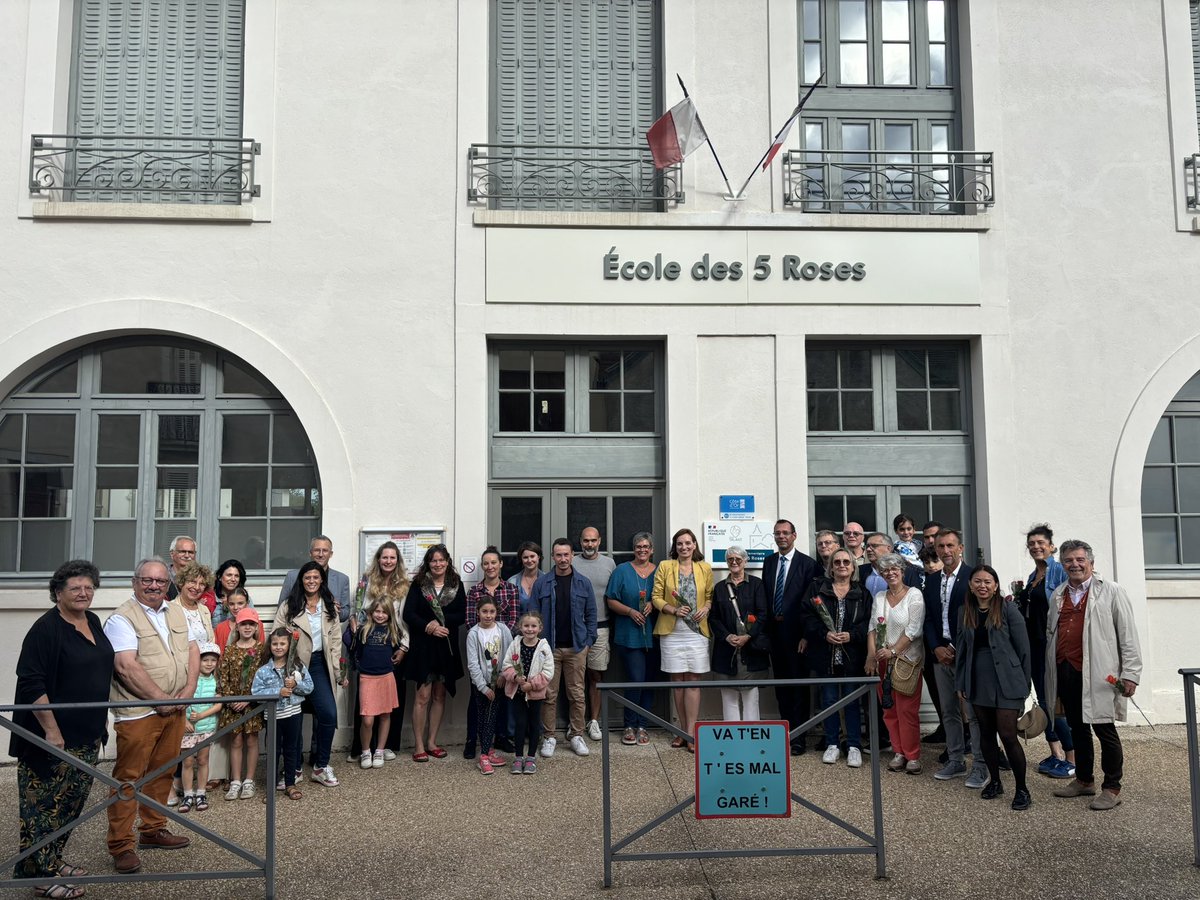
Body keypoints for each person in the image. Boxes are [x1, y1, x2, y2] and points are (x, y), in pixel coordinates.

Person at [12, 560, 114, 898]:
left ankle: (52, 860)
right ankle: (36, 874)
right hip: (49, 739)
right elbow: (30, 681)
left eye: (89, 587)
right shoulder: (46, 628)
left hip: (86, 735)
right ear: (58, 593)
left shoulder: (93, 621)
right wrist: (51, 732)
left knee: (70, 805)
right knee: (42, 809)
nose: (84, 593)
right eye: (76, 588)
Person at [104, 557, 199, 875]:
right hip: (139, 712)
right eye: (147, 580)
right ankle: (121, 846)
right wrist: (159, 700)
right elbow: (125, 666)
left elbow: (194, 647)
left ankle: (153, 830)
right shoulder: (122, 618)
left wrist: (187, 690)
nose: (154, 586)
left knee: (162, 772)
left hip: (174, 707)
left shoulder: (176, 610)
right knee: (128, 778)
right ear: (135, 582)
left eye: (160, 581)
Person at [1046, 539, 1143, 811]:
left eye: (1079, 560)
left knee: (1104, 729)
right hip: (1066, 669)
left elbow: (1128, 637)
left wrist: (1131, 674)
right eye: (1068, 560)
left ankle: (1112, 788)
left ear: (1091, 562)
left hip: (1099, 673)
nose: (1074, 564)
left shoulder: (1111, 591)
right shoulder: (1059, 594)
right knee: (1078, 727)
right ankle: (1084, 780)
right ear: (1062, 564)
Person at [954, 565, 1032, 810]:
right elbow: (962, 652)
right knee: (986, 734)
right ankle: (995, 781)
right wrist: (961, 683)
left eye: (988, 581)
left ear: (996, 585)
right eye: (977, 581)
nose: (982, 586)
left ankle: (1022, 789)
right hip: (978, 679)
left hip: (1007, 680)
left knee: (1008, 734)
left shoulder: (1009, 609)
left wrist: (1025, 685)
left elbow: (1024, 649)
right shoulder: (965, 611)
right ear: (970, 585)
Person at [923, 529, 985, 787]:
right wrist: (936, 647)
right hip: (941, 657)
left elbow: (982, 616)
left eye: (950, 546)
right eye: (941, 547)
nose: (945, 551)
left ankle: (981, 765)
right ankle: (956, 759)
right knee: (948, 711)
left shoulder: (975, 576)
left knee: (973, 712)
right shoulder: (933, 580)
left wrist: (960, 648)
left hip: (967, 655)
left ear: (961, 548)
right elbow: (928, 618)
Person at [275, 561, 344, 787]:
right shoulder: (289, 606)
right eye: (307, 578)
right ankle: (293, 768)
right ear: (301, 580)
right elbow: (277, 635)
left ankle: (321, 766)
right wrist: (282, 669)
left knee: (328, 714)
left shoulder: (329, 607)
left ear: (321, 579)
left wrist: (338, 672)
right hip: (293, 666)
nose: (311, 581)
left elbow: (335, 642)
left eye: (315, 577)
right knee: (293, 717)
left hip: (318, 665)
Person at [526, 538, 597, 758]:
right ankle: (549, 737)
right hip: (550, 649)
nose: (563, 559)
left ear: (572, 555)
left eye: (566, 555)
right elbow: (533, 614)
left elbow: (591, 614)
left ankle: (576, 735)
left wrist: (588, 640)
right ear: (553, 556)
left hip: (576, 648)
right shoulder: (543, 583)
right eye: (558, 555)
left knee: (577, 694)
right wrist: (538, 644)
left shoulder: (583, 583)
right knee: (548, 694)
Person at [803, 548, 870, 768]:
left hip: (852, 656)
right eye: (837, 562)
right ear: (831, 567)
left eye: (846, 562)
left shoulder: (862, 593)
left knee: (852, 702)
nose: (842, 565)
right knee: (829, 701)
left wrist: (852, 635)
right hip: (826, 655)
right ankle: (832, 744)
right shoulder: (818, 589)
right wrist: (824, 634)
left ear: (853, 567)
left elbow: (868, 622)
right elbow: (806, 617)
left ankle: (853, 746)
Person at [1018, 524, 1075, 780]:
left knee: (1056, 705)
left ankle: (1072, 759)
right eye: (1032, 544)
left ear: (1051, 546)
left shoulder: (1058, 572)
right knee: (1043, 702)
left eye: (1041, 543)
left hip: (1052, 648)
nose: (1036, 547)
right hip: (1034, 647)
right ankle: (1056, 754)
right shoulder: (1033, 577)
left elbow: (1068, 607)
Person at [403, 544, 467, 762]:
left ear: (447, 561)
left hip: (446, 648)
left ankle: (432, 742)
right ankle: (419, 745)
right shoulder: (419, 584)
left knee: (440, 695)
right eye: (433, 561)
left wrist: (442, 624)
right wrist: (428, 626)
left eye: (441, 560)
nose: (438, 564)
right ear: (428, 563)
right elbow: (408, 614)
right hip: (423, 648)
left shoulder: (456, 585)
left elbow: (462, 614)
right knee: (422, 696)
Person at [651, 528, 713, 752]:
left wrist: (705, 608)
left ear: (694, 545)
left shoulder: (704, 568)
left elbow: (709, 597)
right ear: (675, 547)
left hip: (696, 630)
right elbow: (655, 597)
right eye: (679, 544)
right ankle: (681, 731)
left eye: (688, 543)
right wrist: (672, 610)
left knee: (693, 679)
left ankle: (692, 732)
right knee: (677, 682)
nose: (684, 547)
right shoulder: (665, 566)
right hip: (673, 630)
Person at [349, 542, 410, 763]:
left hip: (394, 640)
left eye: (392, 558)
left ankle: (386, 746)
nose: (388, 561)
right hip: (369, 641)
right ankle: (363, 748)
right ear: (378, 559)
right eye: (384, 557)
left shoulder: (404, 586)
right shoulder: (366, 581)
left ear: (397, 561)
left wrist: (404, 646)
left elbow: (405, 620)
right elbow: (357, 610)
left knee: (391, 700)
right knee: (365, 704)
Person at [761, 519, 817, 755]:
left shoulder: (808, 564)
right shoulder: (769, 561)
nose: (781, 536)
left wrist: (806, 634)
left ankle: (799, 737)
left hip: (798, 636)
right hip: (775, 634)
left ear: (794, 535)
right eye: (777, 533)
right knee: (781, 685)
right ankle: (784, 731)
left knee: (798, 686)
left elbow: (811, 603)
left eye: (785, 532)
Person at [867, 553, 925, 774]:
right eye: (885, 570)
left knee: (907, 711)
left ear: (902, 571)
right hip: (883, 661)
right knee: (889, 710)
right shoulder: (880, 596)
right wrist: (872, 656)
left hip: (906, 662)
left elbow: (914, 630)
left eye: (894, 569)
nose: (890, 573)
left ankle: (912, 755)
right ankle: (898, 752)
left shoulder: (914, 595)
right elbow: (872, 627)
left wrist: (892, 651)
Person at [464, 546, 518, 759]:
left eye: (493, 562)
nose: (490, 567)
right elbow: (470, 621)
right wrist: (485, 643)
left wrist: (500, 640)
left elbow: (513, 621)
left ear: (500, 564)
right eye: (486, 563)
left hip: (503, 653)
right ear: (482, 566)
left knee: (502, 698)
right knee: (476, 699)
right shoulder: (475, 592)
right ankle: (472, 740)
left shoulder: (511, 590)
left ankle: (501, 737)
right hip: (480, 655)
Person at [605, 532, 658, 746]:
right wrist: (629, 612)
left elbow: (666, 595)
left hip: (656, 634)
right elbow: (611, 600)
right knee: (636, 679)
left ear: (652, 549)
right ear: (633, 549)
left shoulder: (661, 570)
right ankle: (630, 723)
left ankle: (643, 725)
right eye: (638, 546)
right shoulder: (621, 571)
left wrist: (653, 603)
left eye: (646, 546)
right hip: (629, 634)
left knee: (649, 682)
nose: (642, 550)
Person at [252, 627, 313, 801]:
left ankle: (290, 784)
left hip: (293, 714)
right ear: (270, 646)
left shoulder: (297, 667)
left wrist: (295, 685)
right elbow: (255, 692)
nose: (278, 647)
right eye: (275, 644)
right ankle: (270, 788)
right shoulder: (263, 671)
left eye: (282, 643)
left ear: (289, 645)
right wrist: (277, 691)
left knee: (291, 749)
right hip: (273, 717)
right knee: (273, 751)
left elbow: (309, 687)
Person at [709, 545, 769, 722]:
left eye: (738, 559)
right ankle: (733, 741)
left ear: (745, 562)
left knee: (751, 699)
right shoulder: (719, 588)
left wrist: (748, 636)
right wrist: (727, 636)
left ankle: (752, 739)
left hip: (751, 650)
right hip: (726, 650)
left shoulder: (757, 585)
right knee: (729, 700)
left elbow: (763, 614)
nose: (734, 562)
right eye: (730, 559)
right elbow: (714, 618)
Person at [344, 598, 405, 769]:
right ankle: (365, 751)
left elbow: (398, 650)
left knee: (385, 715)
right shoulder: (364, 630)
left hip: (386, 677)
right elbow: (353, 647)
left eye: (384, 612)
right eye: (377, 611)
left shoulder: (393, 631)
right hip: (367, 678)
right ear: (371, 613)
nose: (380, 615)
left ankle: (380, 749)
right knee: (368, 719)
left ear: (389, 615)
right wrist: (352, 624)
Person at [574, 526, 617, 743]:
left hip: (601, 627)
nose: (589, 544)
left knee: (596, 675)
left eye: (593, 540)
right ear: (580, 542)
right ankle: (577, 724)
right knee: (574, 678)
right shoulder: (571, 562)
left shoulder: (609, 563)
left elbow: (616, 594)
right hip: (575, 629)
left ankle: (594, 721)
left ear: (599, 541)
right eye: (585, 541)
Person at [499, 611, 555, 774]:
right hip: (517, 692)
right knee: (520, 723)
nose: (529, 629)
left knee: (534, 724)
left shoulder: (544, 648)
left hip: (535, 694)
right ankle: (518, 757)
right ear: (520, 627)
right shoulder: (515, 644)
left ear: (540, 628)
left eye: (533, 626)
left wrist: (532, 685)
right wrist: (515, 677)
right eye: (526, 626)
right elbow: (506, 665)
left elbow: (548, 671)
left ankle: (530, 757)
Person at [217, 608, 265, 800]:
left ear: (256, 627)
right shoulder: (230, 650)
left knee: (252, 740)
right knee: (235, 741)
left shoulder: (262, 650)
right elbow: (223, 678)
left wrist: (248, 699)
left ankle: (249, 780)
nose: (247, 627)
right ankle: (236, 780)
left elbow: (265, 678)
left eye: (251, 624)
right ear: (237, 627)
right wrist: (232, 699)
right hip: (233, 705)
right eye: (243, 624)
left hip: (252, 705)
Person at [466, 598, 515, 775]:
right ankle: (484, 755)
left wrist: (503, 675)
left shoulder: (503, 630)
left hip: (499, 682)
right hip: (481, 684)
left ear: (497, 613)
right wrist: (483, 687)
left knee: (492, 717)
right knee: (483, 717)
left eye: (492, 612)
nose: (488, 615)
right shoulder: (473, 633)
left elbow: (510, 654)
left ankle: (487, 752)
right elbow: (472, 664)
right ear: (477, 612)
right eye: (484, 611)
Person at [179, 642, 222, 813]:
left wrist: (203, 716)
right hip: (188, 729)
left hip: (207, 726)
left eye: (213, 660)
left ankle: (201, 792)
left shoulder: (216, 680)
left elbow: (218, 704)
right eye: (205, 660)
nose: (209, 663)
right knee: (187, 761)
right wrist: (184, 720)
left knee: (203, 760)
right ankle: (188, 794)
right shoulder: (189, 679)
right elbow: (180, 700)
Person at [279, 535, 352, 622]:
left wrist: (334, 610)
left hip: (327, 632)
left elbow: (345, 614)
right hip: (298, 631)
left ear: (331, 554)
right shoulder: (292, 576)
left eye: (325, 550)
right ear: (310, 553)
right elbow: (281, 610)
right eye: (317, 550)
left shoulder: (342, 579)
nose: (321, 554)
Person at [211, 559, 249, 628]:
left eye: (236, 576)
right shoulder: (210, 597)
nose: (233, 579)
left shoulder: (244, 597)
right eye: (229, 575)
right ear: (219, 577)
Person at [507, 540, 543, 608]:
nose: (529, 560)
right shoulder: (512, 582)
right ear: (521, 559)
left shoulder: (546, 580)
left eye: (532, 556)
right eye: (525, 557)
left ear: (538, 557)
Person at [165, 535, 198, 601]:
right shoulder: (163, 575)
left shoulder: (200, 577)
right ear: (172, 554)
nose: (187, 555)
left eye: (191, 552)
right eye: (182, 551)